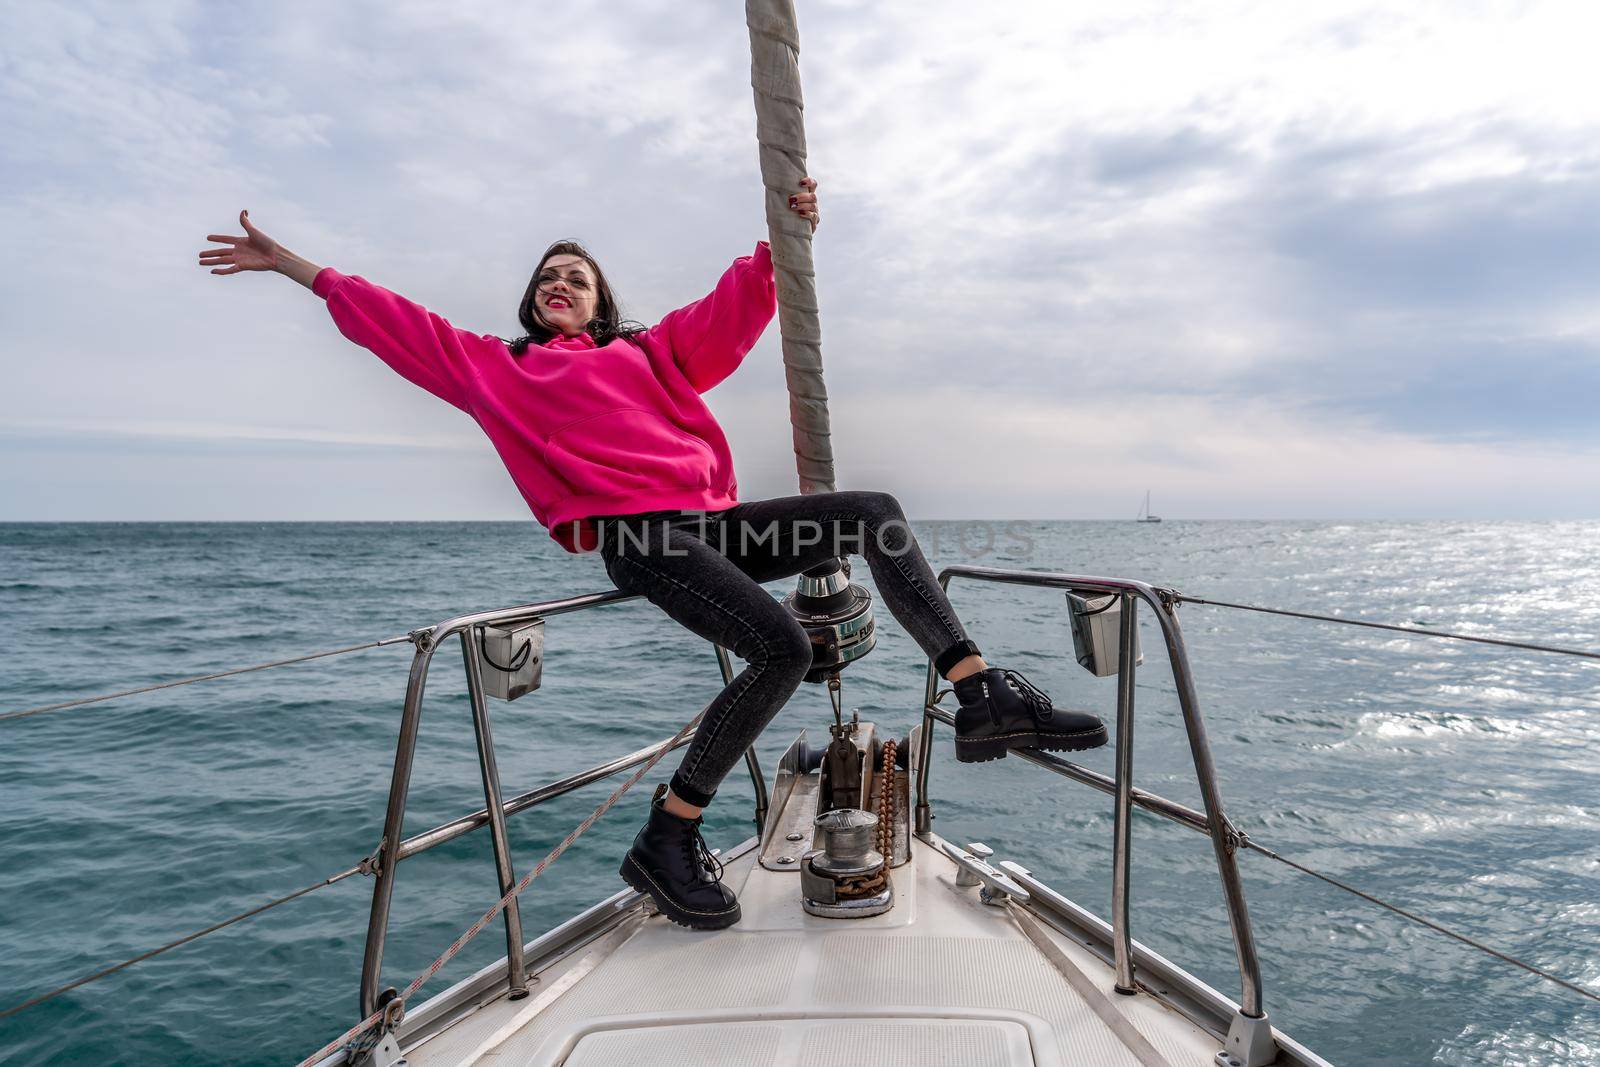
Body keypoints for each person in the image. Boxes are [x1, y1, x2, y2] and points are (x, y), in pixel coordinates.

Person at [197, 182, 1107, 930]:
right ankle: (667, 837)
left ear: (600, 302)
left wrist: (778, 237)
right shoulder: (498, 367)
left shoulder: (647, 352)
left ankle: (979, 691)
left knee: (876, 512)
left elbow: (730, 311)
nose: (561, 284)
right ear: (532, 300)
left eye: (578, 278)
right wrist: (296, 269)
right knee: (783, 649)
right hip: (639, 536)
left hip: (712, 523)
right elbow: (398, 322)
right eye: (549, 276)